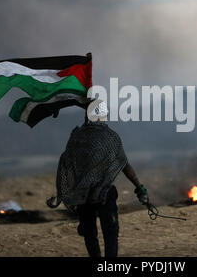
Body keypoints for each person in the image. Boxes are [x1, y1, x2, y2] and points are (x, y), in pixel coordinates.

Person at [47, 100, 148, 257]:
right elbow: (124, 164)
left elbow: (67, 165)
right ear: (103, 116)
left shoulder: (76, 137)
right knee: (110, 233)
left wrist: (68, 193)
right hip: (104, 194)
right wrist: (139, 187)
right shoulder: (111, 138)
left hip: (82, 196)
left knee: (89, 234)